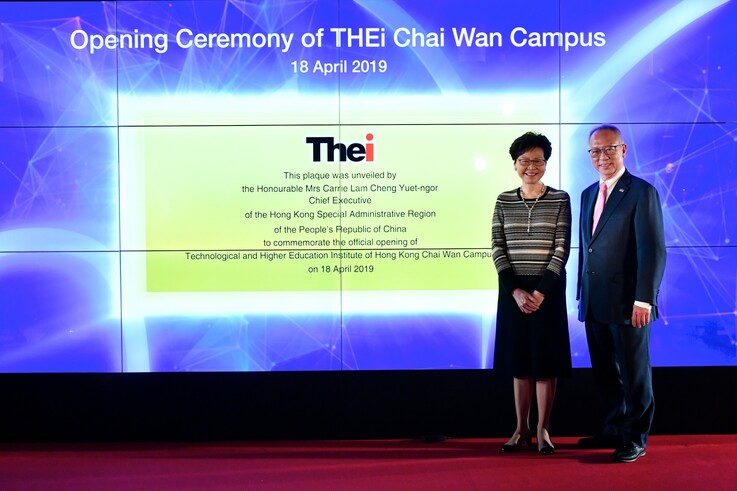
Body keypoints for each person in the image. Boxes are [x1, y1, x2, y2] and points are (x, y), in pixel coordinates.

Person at [577, 124, 666, 463]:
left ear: (623, 150)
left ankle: (635, 438)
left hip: (630, 303)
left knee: (634, 373)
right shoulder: (588, 194)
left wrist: (645, 298)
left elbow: (653, 250)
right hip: (595, 300)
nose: (603, 157)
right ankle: (613, 428)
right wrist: (581, 293)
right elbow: (589, 249)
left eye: (609, 149)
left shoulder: (642, 192)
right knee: (605, 373)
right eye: (596, 151)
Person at [492, 131, 572, 455]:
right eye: (524, 160)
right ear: (514, 164)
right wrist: (515, 291)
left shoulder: (560, 199)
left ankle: (543, 430)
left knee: (545, 364)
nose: (530, 167)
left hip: (547, 290)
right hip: (514, 292)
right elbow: (497, 248)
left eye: (537, 161)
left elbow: (561, 248)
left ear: (546, 164)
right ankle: (520, 429)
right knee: (519, 363)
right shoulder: (503, 200)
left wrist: (540, 293)